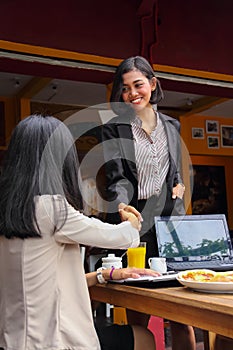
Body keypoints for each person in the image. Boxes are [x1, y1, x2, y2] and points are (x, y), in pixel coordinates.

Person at [0, 114, 158, 350]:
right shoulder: (51, 208)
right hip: (54, 342)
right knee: (144, 338)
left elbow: (40, 285)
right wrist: (132, 221)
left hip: (13, 340)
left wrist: (106, 275)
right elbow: (120, 236)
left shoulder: (8, 211)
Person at [98, 56, 195, 350]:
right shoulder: (114, 128)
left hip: (170, 229)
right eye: (125, 88)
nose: (132, 93)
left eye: (138, 84)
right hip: (136, 227)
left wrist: (178, 193)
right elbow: (116, 178)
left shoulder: (172, 126)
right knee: (139, 313)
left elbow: (176, 174)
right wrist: (124, 209)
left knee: (183, 314)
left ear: (152, 84)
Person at [86, 267, 158, 350]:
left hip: (72, 332)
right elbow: (71, 286)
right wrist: (104, 274)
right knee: (143, 337)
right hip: (74, 338)